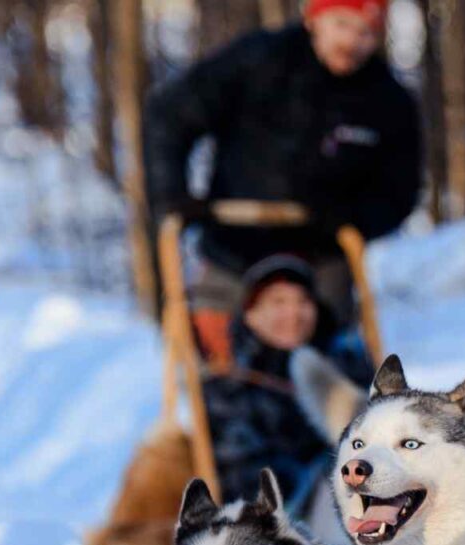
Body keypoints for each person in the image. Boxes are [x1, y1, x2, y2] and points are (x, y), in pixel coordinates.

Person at [144, 0, 420, 328]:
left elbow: (400, 190)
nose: (350, 42)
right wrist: (171, 192)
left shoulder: (388, 100)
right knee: (214, 359)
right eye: (341, 25)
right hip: (232, 245)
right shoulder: (258, 60)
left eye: (365, 32)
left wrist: (356, 216)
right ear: (315, 20)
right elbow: (171, 115)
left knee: (328, 364)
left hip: (322, 257)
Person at [202, 254, 372, 510]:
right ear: (251, 315)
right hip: (283, 517)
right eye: (277, 302)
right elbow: (244, 479)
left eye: (303, 301)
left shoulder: (348, 366)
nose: (293, 313)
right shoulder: (229, 390)